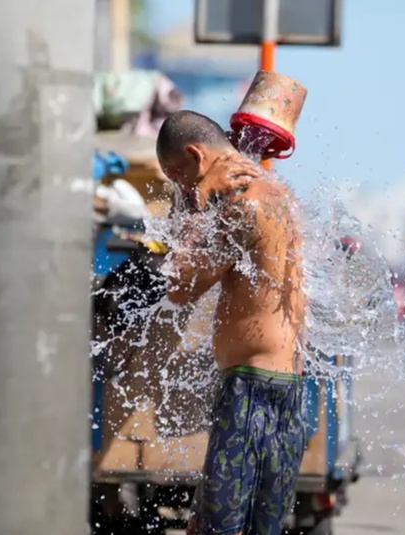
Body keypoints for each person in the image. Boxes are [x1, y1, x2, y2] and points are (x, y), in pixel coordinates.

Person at [155, 110, 307, 535]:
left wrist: (196, 202)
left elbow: (180, 286)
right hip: (287, 386)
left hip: (250, 392)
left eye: (177, 175)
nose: (178, 188)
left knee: (215, 529)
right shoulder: (276, 193)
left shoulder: (241, 201)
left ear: (196, 157)